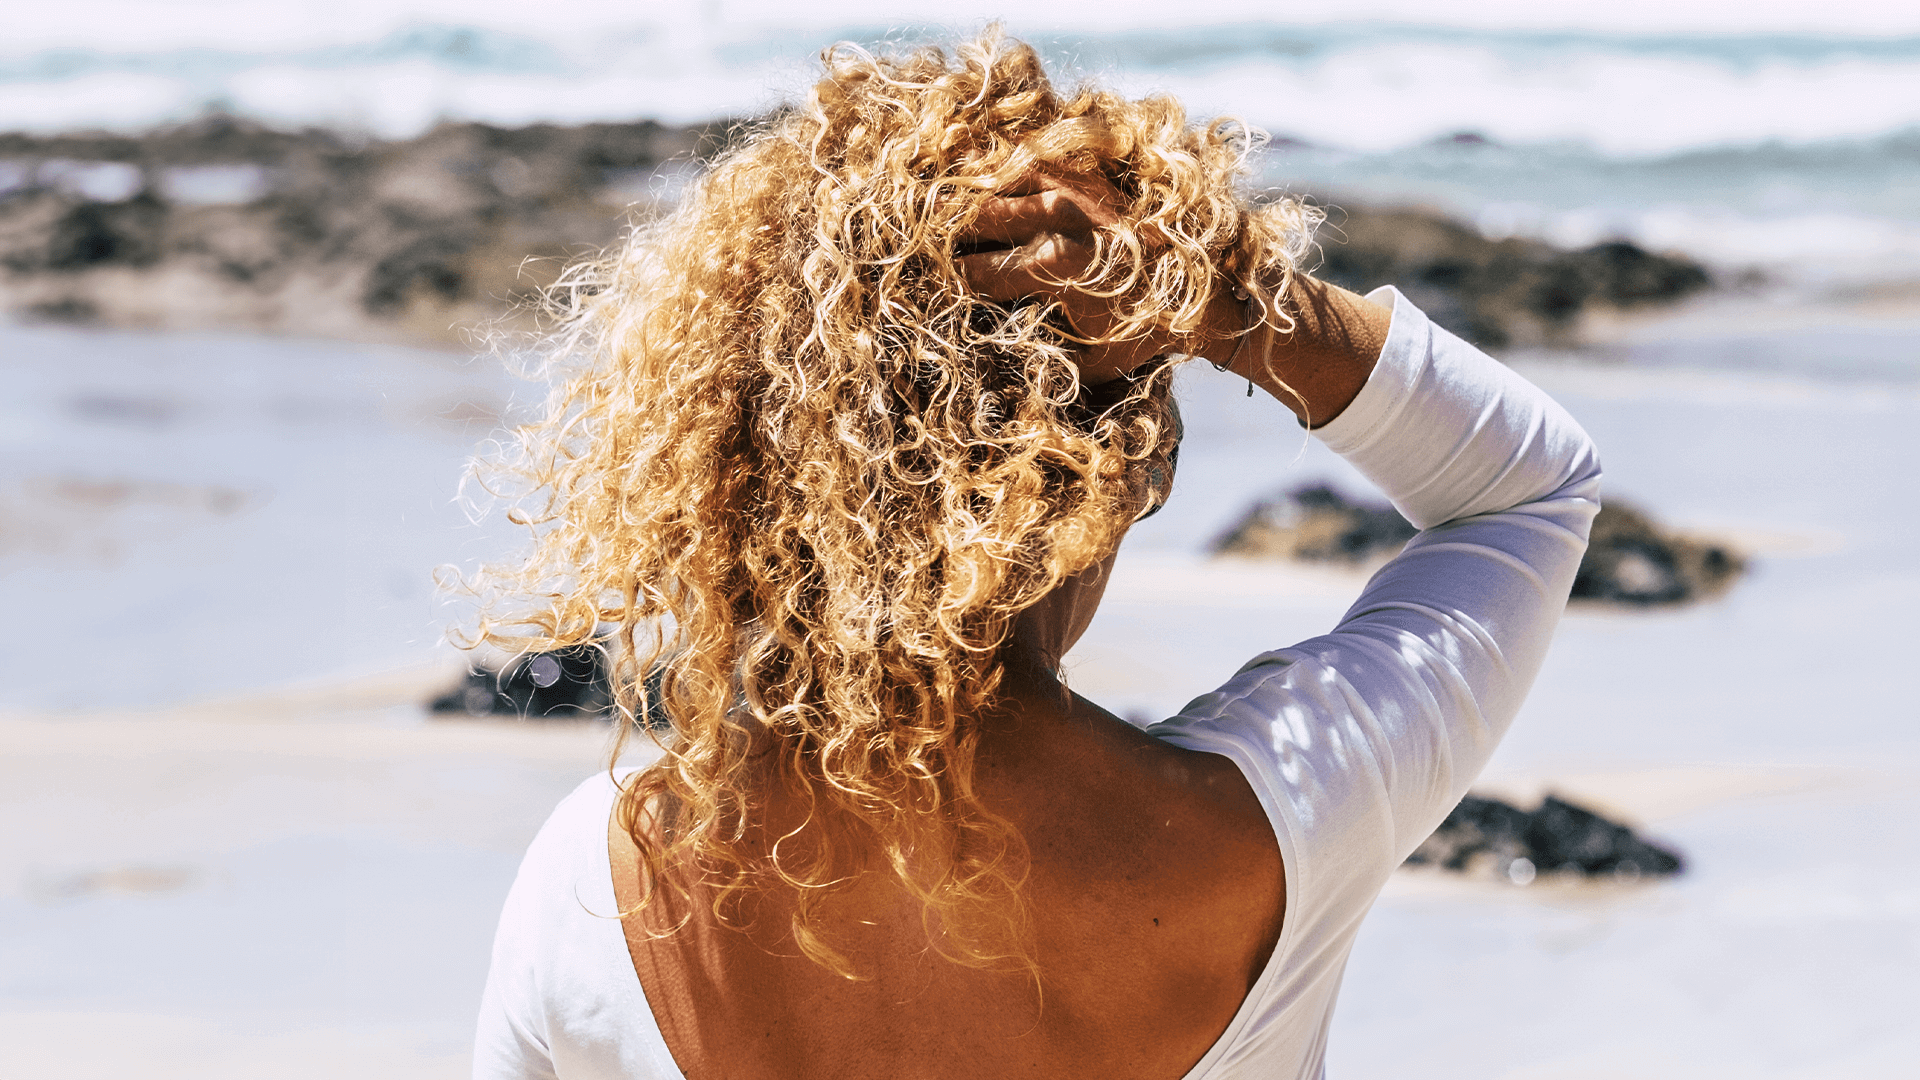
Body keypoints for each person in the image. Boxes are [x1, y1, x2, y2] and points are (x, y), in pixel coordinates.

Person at [470, 30, 1599, 1080]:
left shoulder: (597, 881)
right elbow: (1531, 490)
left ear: (741, 450)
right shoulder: (1294, 818)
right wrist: (1229, 302)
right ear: (1118, 478)